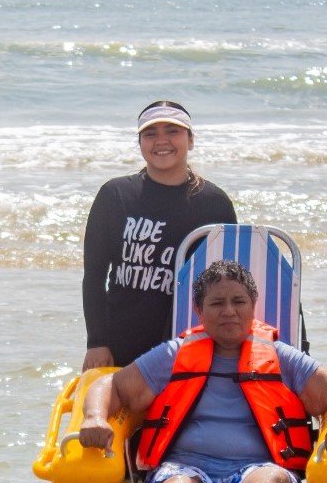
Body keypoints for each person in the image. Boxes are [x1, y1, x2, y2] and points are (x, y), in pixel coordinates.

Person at [79, 261, 327, 483]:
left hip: (260, 470)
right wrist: (94, 417)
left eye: (239, 301)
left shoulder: (282, 357)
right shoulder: (173, 355)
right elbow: (111, 385)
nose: (229, 311)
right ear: (199, 311)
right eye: (217, 303)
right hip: (186, 470)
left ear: (253, 306)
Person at [82, 100, 236, 371]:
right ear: (140, 142)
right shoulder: (115, 195)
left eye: (173, 131)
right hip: (121, 347)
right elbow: (94, 275)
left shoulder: (214, 202)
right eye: (151, 134)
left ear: (190, 140)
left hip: (188, 348)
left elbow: (230, 283)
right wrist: (96, 342)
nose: (161, 141)